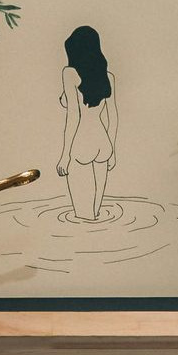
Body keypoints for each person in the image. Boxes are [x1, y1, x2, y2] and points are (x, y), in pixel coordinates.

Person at [57, 25, 118, 224]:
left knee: (82, 217)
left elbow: (74, 116)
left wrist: (65, 155)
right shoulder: (108, 77)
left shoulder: (70, 74)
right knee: (95, 215)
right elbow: (113, 117)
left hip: (81, 143)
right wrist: (113, 151)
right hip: (103, 143)